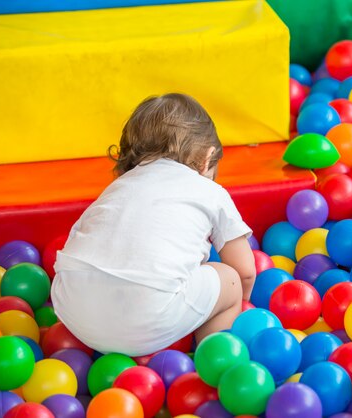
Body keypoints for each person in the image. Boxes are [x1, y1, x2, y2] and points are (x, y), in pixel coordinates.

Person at [51, 93, 255, 356]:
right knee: (230, 280)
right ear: (208, 159)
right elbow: (245, 271)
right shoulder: (210, 191)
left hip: (72, 308)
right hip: (148, 317)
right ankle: (212, 356)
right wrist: (241, 300)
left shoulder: (115, 189)